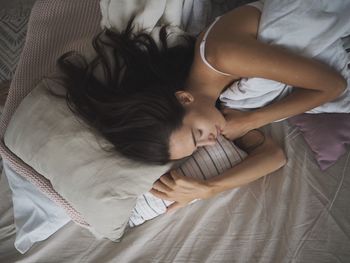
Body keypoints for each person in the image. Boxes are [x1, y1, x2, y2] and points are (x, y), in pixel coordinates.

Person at [55, 2, 346, 212]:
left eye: (197, 136)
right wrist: (209, 189)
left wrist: (253, 119)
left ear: (184, 98)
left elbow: (334, 86)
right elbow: (274, 156)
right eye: (197, 147)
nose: (211, 141)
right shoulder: (218, 106)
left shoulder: (221, 57)